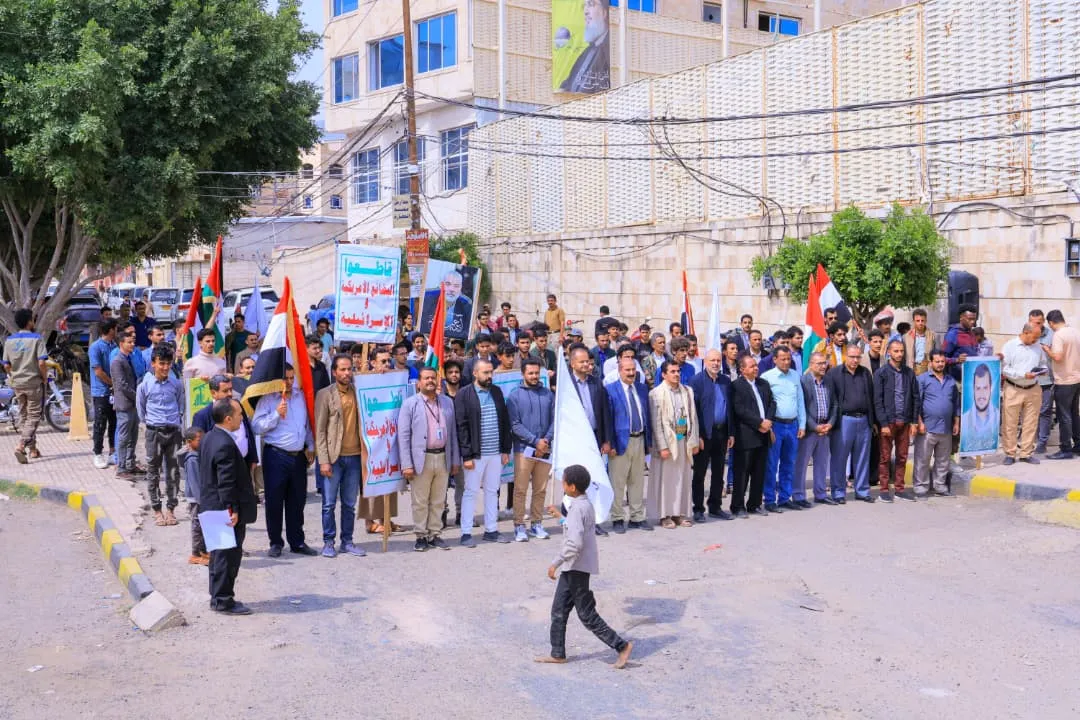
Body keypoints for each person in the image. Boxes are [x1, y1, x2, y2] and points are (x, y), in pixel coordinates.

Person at [537, 465, 632, 668]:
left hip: (576, 568)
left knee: (586, 614)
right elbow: (575, 528)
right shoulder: (584, 504)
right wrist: (560, 517)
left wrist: (555, 563)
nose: (561, 484)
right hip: (575, 568)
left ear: (571, 487)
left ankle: (621, 646)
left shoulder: (577, 508)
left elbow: (574, 542)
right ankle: (558, 652)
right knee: (559, 610)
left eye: (563, 482)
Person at [199, 398, 258, 615]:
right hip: (223, 509)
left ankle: (218, 596)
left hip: (210, 504)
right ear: (228, 418)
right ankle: (224, 599)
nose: (242, 419)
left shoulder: (210, 437)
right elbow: (226, 481)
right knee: (227, 556)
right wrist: (232, 509)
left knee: (218, 555)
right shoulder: (223, 443)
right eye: (240, 415)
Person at [252, 365, 318, 557]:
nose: (289, 383)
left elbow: (305, 425)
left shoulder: (299, 397)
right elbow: (257, 426)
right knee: (274, 500)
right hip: (276, 455)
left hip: (298, 457)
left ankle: (297, 541)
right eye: (285, 379)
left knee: (297, 500)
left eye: (291, 378)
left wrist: (310, 446)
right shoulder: (268, 399)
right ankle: (275, 542)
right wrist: (275, 415)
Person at [399, 366, 461, 552]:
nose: (430, 381)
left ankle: (434, 534)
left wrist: (455, 460)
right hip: (421, 459)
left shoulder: (447, 403)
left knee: (438, 500)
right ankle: (420, 535)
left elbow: (453, 434)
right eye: (426, 378)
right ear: (419, 383)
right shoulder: (410, 404)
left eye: (433, 378)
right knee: (420, 500)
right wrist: (407, 464)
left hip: (442, 457)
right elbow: (403, 436)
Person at [314, 356, 368, 558]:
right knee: (328, 503)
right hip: (333, 458)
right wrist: (324, 460)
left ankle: (347, 541)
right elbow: (320, 430)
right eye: (343, 369)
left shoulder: (358, 391)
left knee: (349, 504)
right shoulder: (325, 394)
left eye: (349, 369)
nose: (347, 373)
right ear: (334, 372)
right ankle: (329, 542)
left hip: (354, 457)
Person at [455, 358, 512, 546]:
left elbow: (504, 421)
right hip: (476, 454)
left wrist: (505, 449)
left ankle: (491, 530)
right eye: (485, 373)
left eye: (491, 372)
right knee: (470, 492)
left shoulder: (496, 391)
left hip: (495, 453)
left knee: (492, 491)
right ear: (475, 373)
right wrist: (467, 455)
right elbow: (461, 426)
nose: (489, 376)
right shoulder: (464, 394)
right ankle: (466, 533)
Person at [506, 358, 555, 542]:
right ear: (523, 374)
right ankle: (519, 525)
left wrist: (546, 440)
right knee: (520, 489)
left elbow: (554, 420)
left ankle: (536, 523)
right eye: (530, 373)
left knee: (540, 489)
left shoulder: (548, 394)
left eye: (536, 373)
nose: (534, 376)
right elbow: (515, 425)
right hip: (523, 450)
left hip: (545, 449)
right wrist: (535, 441)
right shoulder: (514, 396)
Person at [137, 346, 186, 526]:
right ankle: (157, 510)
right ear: (153, 363)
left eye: (168, 364)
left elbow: (181, 406)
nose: (165, 367)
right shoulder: (145, 385)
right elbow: (141, 410)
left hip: (173, 432)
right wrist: (151, 424)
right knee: (153, 471)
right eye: (161, 363)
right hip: (154, 432)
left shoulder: (176, 384)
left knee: (173, 471)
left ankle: (171, 509)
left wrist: (175, 421)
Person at [648, 360, 700, 529]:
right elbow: (656, 423)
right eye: (672, 371)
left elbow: (693, 417)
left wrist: (694, 439)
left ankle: (679, 513)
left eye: (678, 371)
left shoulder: (687, 391)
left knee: (682, 479)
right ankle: (665, 515)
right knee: (666, 481)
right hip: (667, 443)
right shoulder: (656, 393)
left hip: (683, 439)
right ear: (664, 374)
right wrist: (662, 446)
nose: (676, 374)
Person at [605, 357, 652, 533]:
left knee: (637, 480)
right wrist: (610, 443)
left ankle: (637, 517)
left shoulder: (641, 388)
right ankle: (617, 518)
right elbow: (608, 419)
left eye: (633, 370)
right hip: (620, 442)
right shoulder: (610, 390)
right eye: (627, 370)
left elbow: (646, 415)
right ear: (619, 371)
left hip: (639, 439)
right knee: (617, 482)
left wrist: (649, 442)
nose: (631, 373)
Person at [357, 349, 402, 532]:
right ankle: (370, 522)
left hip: (389, 437)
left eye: (388, 361)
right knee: (370, 478)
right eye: (382, 361)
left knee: (389, 476)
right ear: (373, 363)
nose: (386, 365)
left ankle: (386, 519)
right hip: (370, 439)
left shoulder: (393, 380)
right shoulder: (364, 381)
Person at [688, 350, 734, 522]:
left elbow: (729, 409)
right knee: (699, 473)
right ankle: (698, 509)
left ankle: (715, 506)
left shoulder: (725, 381)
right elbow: (694, 410)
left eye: (718, 360)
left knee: (718, 472)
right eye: (712, 360)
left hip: (722, 433)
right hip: (704, 434)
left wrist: (731, 433)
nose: (716, 363)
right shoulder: (697, 381)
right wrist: (697, 435)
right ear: (705, 362)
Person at [827, 345, 877, 503]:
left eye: (858, 357)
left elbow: (871, 398)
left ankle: (862, 490)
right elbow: (831, 399)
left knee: (862, 457)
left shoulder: (865, 373)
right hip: (844, 420)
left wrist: (873, 421)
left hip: (863, 420)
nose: (855, 360)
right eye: (852, 357)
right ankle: (838, 492)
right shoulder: (835, 373)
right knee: (840, 457)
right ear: (845, 356)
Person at [729, 355, 775, 517]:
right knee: (742, 472)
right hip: (746, 435)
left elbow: (772, 403)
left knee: (759, 472)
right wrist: (759, 423)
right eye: (751, 366)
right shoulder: (736, 386)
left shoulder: (763, 384)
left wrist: (768, 420)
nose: (756, 368)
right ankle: (737, 506)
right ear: (742, 370)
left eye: (756, 365)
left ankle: (754, 504)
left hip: (764, 434)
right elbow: (740, 410)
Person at [761, 347, 805, 512]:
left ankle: (785, 498)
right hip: (776, 426)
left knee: (789, 463)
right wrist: (768, 426)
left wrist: (802, 424)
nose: (786, 362)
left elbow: (800, 401)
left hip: (792, 425)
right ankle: (770, 499)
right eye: (783, 359)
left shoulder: (795, 375)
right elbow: (764, 404)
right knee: (771, 464)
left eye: (788, 359)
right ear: (774, 360)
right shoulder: (767, 377)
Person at [873, 340, 919, 501]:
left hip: (905, 421)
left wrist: (914, 421)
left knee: (902, 456)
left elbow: (915, 397)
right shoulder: (881, 373)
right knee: (885, 457)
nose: (899, 354)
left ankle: (899, 489)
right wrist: (883, 423)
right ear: (889, 352)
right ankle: (884, 490)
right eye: (896, 351)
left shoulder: (909, 373)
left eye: (901, 351)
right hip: (888, 421)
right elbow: (877, 400)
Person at [3, 309, 48, 464]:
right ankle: (21, 445)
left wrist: (14, 375)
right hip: (33, 382)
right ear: (30, 321)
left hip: (17, 383)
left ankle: (33, 450)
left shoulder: (9, 341)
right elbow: (42, 362)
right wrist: (44, 377)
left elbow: (6, 365)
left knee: (24, 415)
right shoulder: (37, 339)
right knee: (34, 416)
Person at [796, 352, 838, 507]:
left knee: (821, 464)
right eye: (819, 363)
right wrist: (814, 426)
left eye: (824, 363)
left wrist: (830, 424)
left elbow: (835, 404)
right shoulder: (803, 381)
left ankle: (820, 494)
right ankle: (799, 495)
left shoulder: (828, 381)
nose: (823, 366)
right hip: (809, 430)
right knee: (801, 464)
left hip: (826, 428)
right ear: (811, 364)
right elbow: (802, 408)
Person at [915, 350, 959, 497]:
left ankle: (939, 486)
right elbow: (917, 403)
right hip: (927, 427)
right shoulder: (922, 379)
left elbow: (956, 404)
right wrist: (919, 422)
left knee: (943, 460)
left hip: (946, 427)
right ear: (930, 363)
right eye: (937, 361)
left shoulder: (951, 381)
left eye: (942, 361)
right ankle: (921, 487)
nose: (940, 364)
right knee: (923, 459)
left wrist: (956, 422)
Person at [1000, 323, 1043, 466]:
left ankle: (1026, 453)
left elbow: (1042, 363)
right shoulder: (1010, 346)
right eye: (1034, 337)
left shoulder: (1037, 346)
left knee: (1031, 423)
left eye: (1038, 337)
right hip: (1014, 388)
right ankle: (1010, 453)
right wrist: (1023, 375)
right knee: (1010, 423)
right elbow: (1004, 368)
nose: (1036, 340)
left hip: (1033, 388)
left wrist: (1042, 370)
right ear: (1025, 332)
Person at [1044, 309, 1080, 459]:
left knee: (1064, 415)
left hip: (1064, 380)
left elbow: (1057, 357)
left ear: (1051, 323)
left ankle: (1065, 449)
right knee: (1074, 413)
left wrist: (1047, 350)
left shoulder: (1059, 335)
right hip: (1077, 378)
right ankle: (1078, 445)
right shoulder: (1075, 331)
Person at [558, 0, 611, 93]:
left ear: (604, 12)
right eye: (584, 6)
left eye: (591, 4)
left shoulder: (611, 50)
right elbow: (568, 84)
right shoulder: (588, 51)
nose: (585, 12)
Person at [110, 330, 143, 480]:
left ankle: (130, 464)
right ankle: (121, 467)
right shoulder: (117, 361)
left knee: (133, 436)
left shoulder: (129, 358)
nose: (132, 344)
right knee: (124, 437)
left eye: (133, 342)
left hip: (132, 404)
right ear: (121, 343)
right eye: (129, 342)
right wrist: (137, 397)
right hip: (125, 404)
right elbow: (122, 385)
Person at [89, 319, 119, 470]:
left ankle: (113, 451)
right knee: (100, 423)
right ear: (111, 330)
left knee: (114, 422)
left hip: (114, 391)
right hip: (101, 391)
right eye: (115, 329)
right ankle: (98, 452)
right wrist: (112, 383)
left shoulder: (114, 346)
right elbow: (98, 371)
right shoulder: (96, 347)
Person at [179, 428, 208, 566]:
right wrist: (202, 500)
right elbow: (195, 483)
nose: (202, 442)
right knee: (197, 525)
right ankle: (195, 554)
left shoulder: (197, 454)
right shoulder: (192, 460)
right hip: (196, 498)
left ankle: (203, 550)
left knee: (203, 525)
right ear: (189, 442)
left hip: (200, 497)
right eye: (199, 440)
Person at [1028, 309, 1055, 454]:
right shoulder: (1026, 332)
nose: (1035, 325)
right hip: (1029, 381)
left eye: (1038, 323)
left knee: (1044, 411)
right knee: (1031, 411)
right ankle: (1030, 439)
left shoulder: (1052, 336)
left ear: (1043, 322)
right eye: (1032, 322)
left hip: (1047, 381)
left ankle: (1042, 442)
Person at [420, 268, 473, 339]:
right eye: (448, 284)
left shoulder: (466, 307)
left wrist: (444, 334)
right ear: (441, 285)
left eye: (456, 286)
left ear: (461, 288)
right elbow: (422, 328)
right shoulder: (427, 303)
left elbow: (466, 334)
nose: (451, 289)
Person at [960, 362, 999, 454]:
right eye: (978, 388)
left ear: (991, 389)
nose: (981, 394)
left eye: (985, 388)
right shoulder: (965, 420)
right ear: (973, 389)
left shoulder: (997, 417)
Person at [941, 304, 979, 381]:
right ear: (961, 318)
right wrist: (957, 360)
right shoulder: (952, 334)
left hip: (971, 380)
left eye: (974, 319)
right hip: (956, 381)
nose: (972, 322)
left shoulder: (972, 334)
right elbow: (941, 359)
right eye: (970, 319)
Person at [903, 309, 936, 376]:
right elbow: (903, 356)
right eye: (918, 321)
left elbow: (937, 355)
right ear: (913, 321)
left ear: (926, 321)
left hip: (927, 369)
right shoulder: (906, 337)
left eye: (922, 320)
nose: (920, 323)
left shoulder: (933, 336)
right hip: (911, 369)